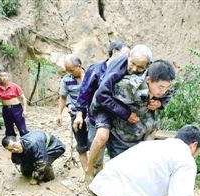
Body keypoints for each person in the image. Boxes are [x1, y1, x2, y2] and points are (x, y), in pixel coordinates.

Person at [78, 45, 154, 179]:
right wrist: (126, 114)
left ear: (148, 65)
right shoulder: (117, 68)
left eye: (140, 67)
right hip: (104, 105)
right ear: (128, 56)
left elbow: (164, 83)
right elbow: (102, 95)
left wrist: (160, 102)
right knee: (102, 136)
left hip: (122, 103)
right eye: (133, 64)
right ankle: (89, 171)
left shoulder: (150, 70)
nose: (135, 69)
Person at [73, 41, 130, 172]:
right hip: (96, 120)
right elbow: (84, 93)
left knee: (118, 156)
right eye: (126, 54)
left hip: (119, 121)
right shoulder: (96, 69)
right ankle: (94, 181)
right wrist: (79, 115)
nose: (128, 58)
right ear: (115, 52)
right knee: (97, 155)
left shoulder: (126, 72)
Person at [56, 54, 88, 171]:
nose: (69, 72)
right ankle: (87, 173)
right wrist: (59, 114)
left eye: (71, 70)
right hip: (76, 115)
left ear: (79, 66)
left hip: (93, 115)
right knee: (81, 146)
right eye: (67, 70)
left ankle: (97, 170)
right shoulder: (66, 79)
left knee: (96, 142)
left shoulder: (91, 75)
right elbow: (63, 97)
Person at [0, 69, 29, 136]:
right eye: (2, 76)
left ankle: (26, 143)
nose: (4, 77)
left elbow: (23, 98)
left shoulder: (14, 86)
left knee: (22, 129)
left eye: (6, 75)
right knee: (9, 130)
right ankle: (12, 144)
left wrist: (25, 110)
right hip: (6, 110)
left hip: (17, 109)